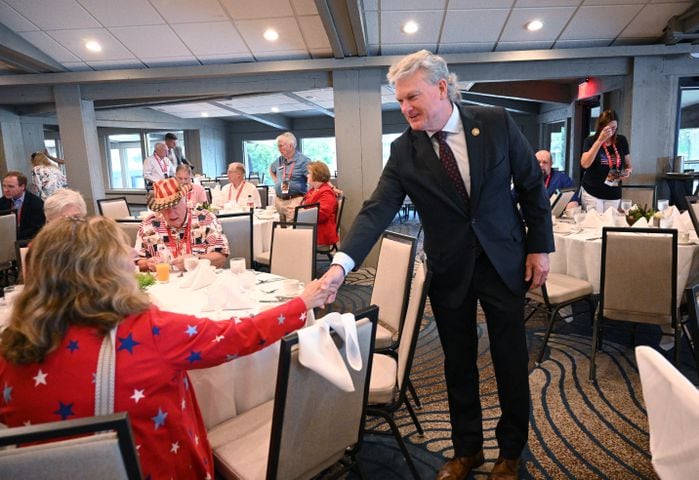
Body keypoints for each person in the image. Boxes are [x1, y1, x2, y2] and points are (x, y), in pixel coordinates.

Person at [320, 50, 553, 480]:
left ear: (442, 88)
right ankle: (467, 451)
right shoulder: (404, 150)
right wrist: (340, 266)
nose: (405, 108)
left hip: (503, 259)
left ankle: (511, 452)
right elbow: (377, 209)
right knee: (457, 361)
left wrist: (540, 246)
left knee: (509, 357)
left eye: (412, 97)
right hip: (450, 267)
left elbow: (531, 187)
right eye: (399, 100)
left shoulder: (496, 122)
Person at [0, 215, 329, 480]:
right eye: (122, 254)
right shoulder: (147, 331)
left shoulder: (10, 346)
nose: (132, 257)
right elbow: (237, 335)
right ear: (105, 273)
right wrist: (301, 304)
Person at [136, 178, 229, 272]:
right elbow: (137, 261)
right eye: (165, 208)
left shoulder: (206, 219)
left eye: (175, 206)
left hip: (201, 282)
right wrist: (147, 264)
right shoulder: (148, 226)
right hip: (164, 282)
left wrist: (196, 260)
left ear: (185, 199)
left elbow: (221, 257)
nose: (171, 214)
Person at [580, 109, 632, 212]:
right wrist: (600, 140)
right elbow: (584, 164)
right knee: (595, 225)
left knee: (610, 224)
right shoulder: (590, 140)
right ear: (601, 127)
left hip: (613, 190)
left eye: (614, 128)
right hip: (592, 191)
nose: (612, 132)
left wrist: (627, 170)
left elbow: (627, 164)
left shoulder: (621, 140)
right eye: (609, 129)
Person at [269, 132, 309, 221]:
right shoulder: (280, 159)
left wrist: (331, 187)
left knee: (291, 231)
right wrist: (276, 182)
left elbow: (314, 177)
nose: (278, 149)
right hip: (279, 201)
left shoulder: (303, 161)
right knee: (278, 231)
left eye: (280, 146)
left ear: (291, 146)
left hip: (294, 201)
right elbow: (271, 169)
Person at [0, 171, 45, 241]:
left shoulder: (36, 203)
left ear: (22, 187)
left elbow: (37, 228)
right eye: (4, 186)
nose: (5, 190)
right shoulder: (2, 201)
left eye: (10, 186)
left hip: (28, 240)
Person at [303, 161, 338, 247]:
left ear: (317, 175)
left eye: (309, 173)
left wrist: (302, 213)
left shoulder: (326, 192)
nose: (307, 175)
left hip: (320, 232)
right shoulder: (314, 190)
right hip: (312, 229)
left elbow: (321, 214)